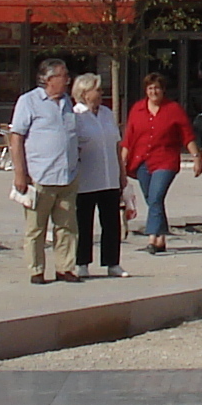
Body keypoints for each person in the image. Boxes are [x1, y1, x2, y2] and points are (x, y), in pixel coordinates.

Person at [7, 59, 82, 283]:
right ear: (48, 79)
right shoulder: (29, 101)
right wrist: (20, 174)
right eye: (63, 76)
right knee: (36, 229)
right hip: (40, 176)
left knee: (67, 227)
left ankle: (65, 267)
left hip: (67, 175)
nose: (68, 80)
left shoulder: (68, 102)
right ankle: (36, 270)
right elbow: (16, 138)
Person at [123, 73, 193, 255]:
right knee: (153, 199)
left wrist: (197, 156)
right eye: (150, 88)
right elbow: (128, 138)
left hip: (165, 160)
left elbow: (187, 134)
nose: (154, 91)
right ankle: (161, 238)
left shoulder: (173, 109)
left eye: (157, 88)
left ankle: (153, 237)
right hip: (142, 161)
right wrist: (122, 159)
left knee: (155, 196)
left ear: (163, 90)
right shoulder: (137, 109)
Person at [69, 72, 126, 278]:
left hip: (109, 177)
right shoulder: (76, 115)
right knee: (83, 222)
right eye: (97, 89)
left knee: (111, 222)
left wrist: (122, 174)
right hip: (85, 179)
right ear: (84, 93)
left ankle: (112, 262)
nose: (101, 93)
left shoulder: (107, 114)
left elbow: (116, 145)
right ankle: (82, 262)